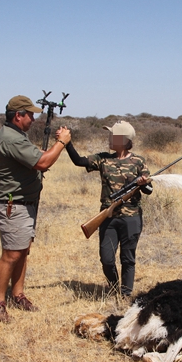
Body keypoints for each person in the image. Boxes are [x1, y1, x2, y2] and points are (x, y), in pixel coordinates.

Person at [0, 95, 71, 323]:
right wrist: (62, 142)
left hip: (23, 204)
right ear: (18, 115)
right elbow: (43, 162)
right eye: (30, 114)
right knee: (12, 255)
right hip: (12, 206)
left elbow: (34, 160)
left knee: (22, 251)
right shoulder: (11, 138)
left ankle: (17, 294)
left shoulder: (15, 136)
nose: (34, 119)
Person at [65, 121, 152, 297]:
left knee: (128, 258)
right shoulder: (103, 158)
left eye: (113, 135)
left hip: (131, 217)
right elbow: (78, 161)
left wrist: (143, 184)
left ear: (124, 140)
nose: (110, 138)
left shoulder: (138, 161)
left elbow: (149, 190)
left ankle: (125, 294)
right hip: (108, 216)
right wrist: (67, 143)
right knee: (107, 259)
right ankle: (113, 288)